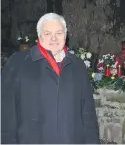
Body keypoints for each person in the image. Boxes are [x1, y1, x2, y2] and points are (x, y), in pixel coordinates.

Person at [1, 13, 100, 144]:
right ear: (39, 36)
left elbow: (87, 113)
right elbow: (6, 113)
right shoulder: (17, 63)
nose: (54, 38)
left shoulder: (77, 65)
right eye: (47, 33)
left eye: (59, 33)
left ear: (65, 35)